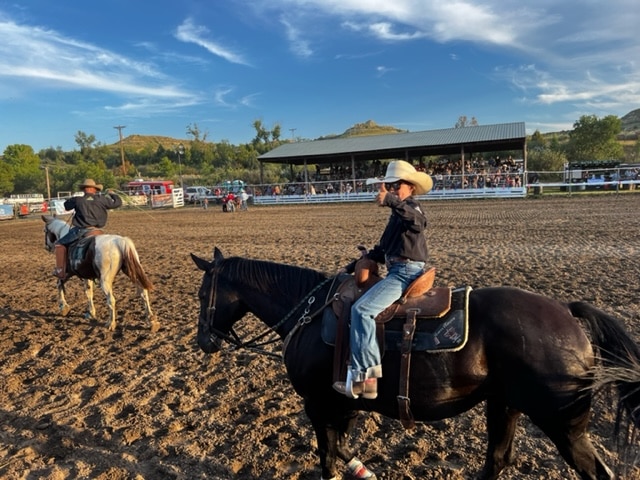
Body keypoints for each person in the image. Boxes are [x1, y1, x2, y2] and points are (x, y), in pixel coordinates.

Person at [333, 160, 433, 400]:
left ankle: (365, 381)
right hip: (398, 269)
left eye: (396, 185)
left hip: (405, 273)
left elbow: (419, 223)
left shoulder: (412, 207)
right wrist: (354, 264)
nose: (392, 189)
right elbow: (383, 249)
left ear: (410, 187)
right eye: (390, 185)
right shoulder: (397, 216)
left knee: (362, 310)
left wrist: (391, 200)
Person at [52, 179, 123, 279]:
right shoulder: (102, 199)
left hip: (81, 230)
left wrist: (72, 200)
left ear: (85, 189)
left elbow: (66, 206)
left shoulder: (77, 200)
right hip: (97, 230)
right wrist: (112, 194)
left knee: (59, 244)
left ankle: (60, 270)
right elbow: (117, 203)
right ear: (93, 189)